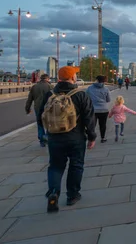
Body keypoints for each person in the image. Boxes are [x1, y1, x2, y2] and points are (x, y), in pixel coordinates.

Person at [37, 66, 96, 213]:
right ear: (73, 78)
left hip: (55, 138)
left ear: (59, 78)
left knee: (55, 166)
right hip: (76, 137)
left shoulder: (49, 94)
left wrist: (45, 134)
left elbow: (40, 116)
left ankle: (53, 192)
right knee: (76, 165)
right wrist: (92, 136)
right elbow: (89, 118)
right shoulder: (80, 95)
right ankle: (72, 195)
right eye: (75, 74)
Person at [25, 73, 52, 147]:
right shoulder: (50, 86)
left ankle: (42, 140)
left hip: (38, 107)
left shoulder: (34, 87)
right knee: (49, 123)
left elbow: (29, 99)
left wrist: (27, 109)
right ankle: (47, 136)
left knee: (40, 123)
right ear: (47, 79)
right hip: (48, 108)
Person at [86, 75, 111, 143]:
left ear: (96, 80)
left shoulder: (89, 88)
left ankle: (91, 139)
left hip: (93, 109)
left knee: (92, 125)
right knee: (103, 125)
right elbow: (108, 100)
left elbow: (86, 98)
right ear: (104, 81)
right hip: (104, 109)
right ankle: (103, 138)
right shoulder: (106, 89)